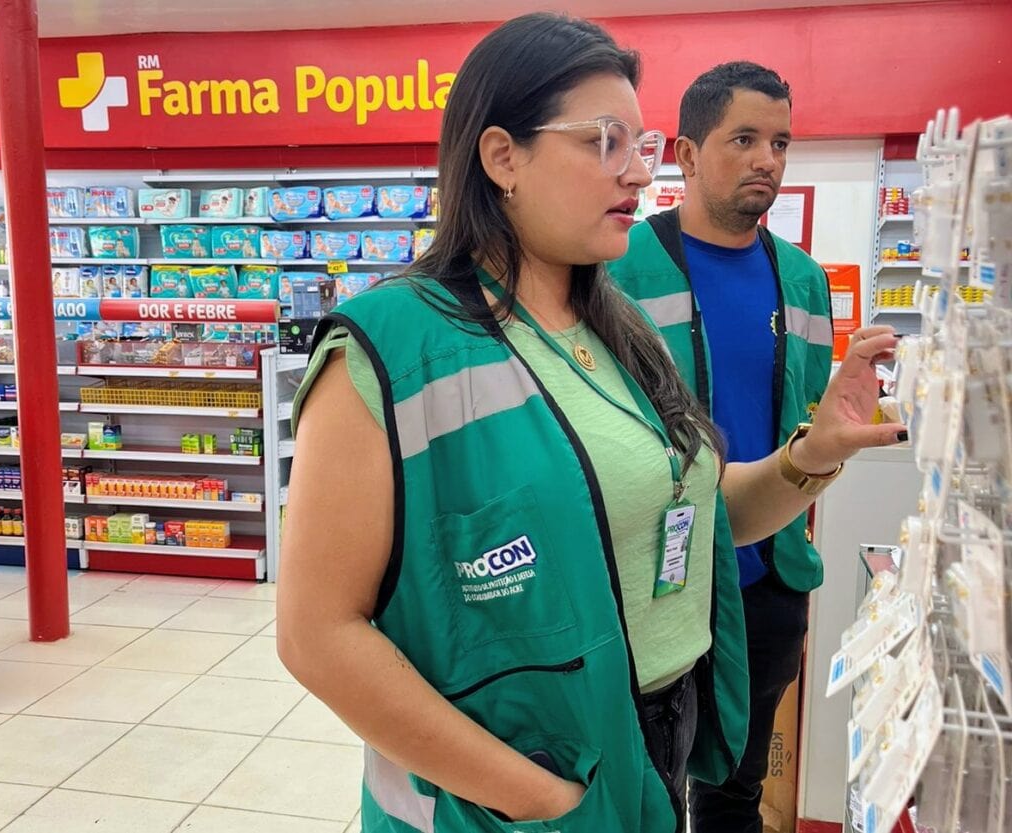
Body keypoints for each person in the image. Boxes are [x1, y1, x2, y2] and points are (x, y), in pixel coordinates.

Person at [277, 16, 903, 833]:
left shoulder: (619, 329)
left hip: (650, 739)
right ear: (503, 156)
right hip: (518, 781)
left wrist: (810, 456)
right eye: (606, 142)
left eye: (641, 147)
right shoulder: (388, 346)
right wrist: (532, 796)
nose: (638, 176)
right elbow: (316, 633)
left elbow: (702, 518)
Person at [608, 62, 845, 833]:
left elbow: (802, 417)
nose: (767, 159)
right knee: (648, 784)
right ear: (684, 151)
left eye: (780, 142)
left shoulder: (804, 281)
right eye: (744, 138)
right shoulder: (617, 269)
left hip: (769, 579)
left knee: (735, 793)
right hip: (654, 580)